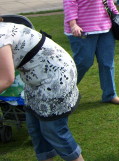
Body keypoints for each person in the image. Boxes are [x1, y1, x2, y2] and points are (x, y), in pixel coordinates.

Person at [0, 20, 84, 161]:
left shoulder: (1, 36)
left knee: (54, 130)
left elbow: (7, 79)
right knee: (35, 129)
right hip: (35, 79)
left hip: (55, 76)